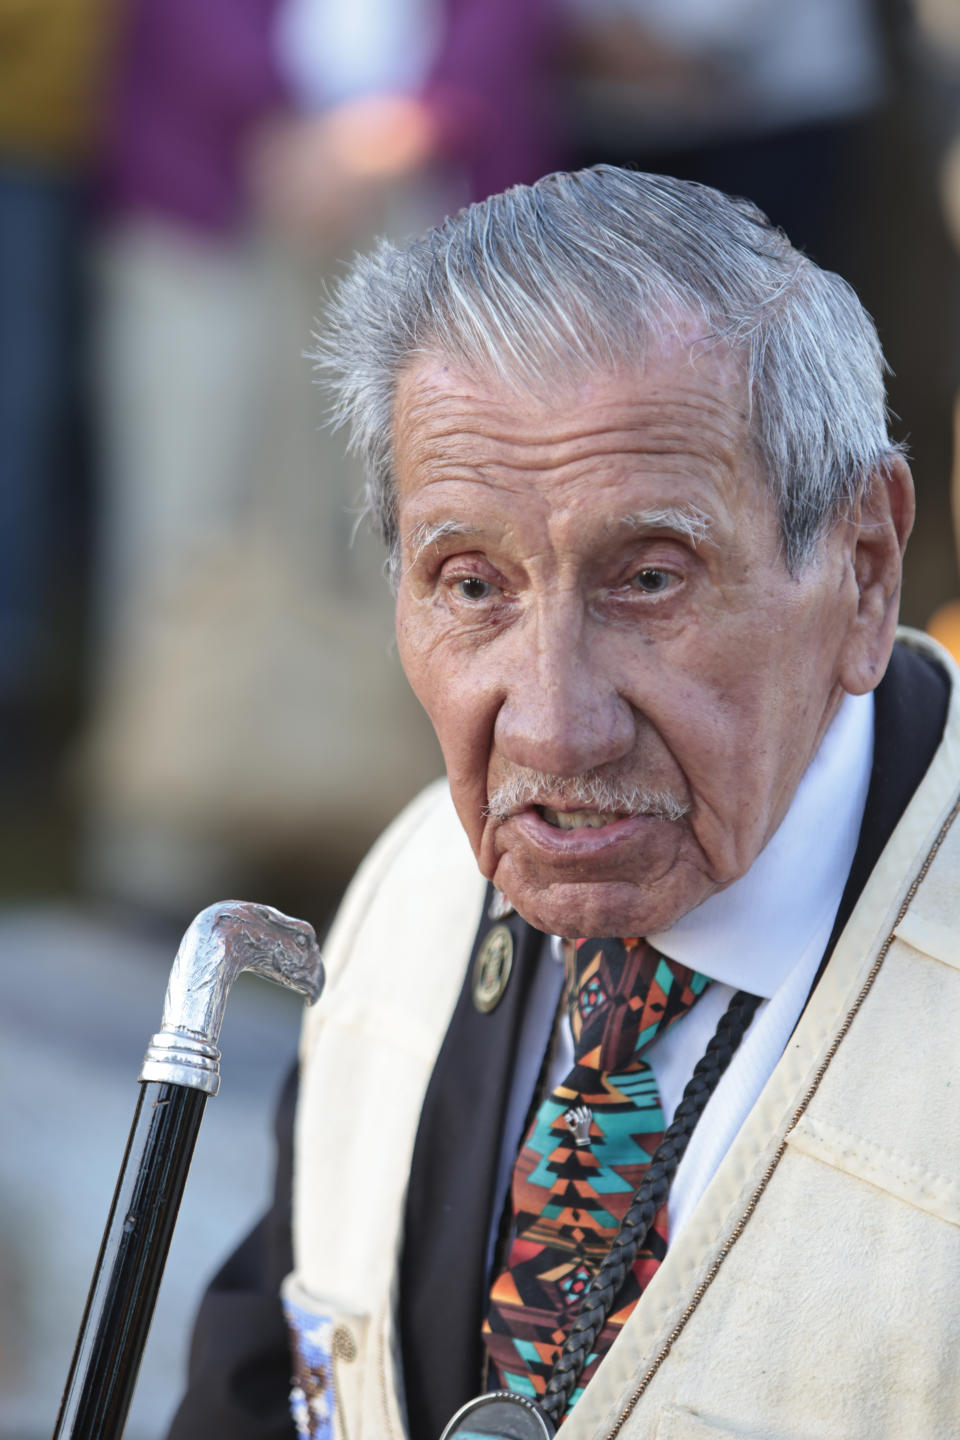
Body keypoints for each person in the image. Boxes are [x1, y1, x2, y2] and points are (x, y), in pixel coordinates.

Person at [167, 166, 960, 1440]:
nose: (550, 723)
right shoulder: (413, 892)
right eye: (471, 585)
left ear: (865, 573)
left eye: (649, 578)